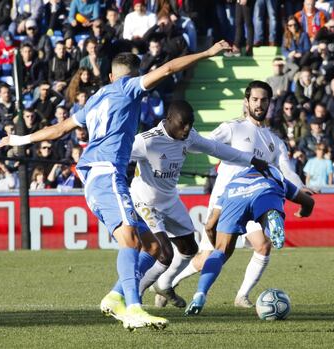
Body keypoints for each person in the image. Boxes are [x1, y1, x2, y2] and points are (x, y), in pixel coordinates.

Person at [0, 40, 234, 330]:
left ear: (110, 76)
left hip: (100, 177)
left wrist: (18, 140)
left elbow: (58, 130)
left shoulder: (94, 100)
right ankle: (133, 308)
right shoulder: (129, 88)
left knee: (154, 249)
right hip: (106, 173)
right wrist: (208, 53)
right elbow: (169, 67)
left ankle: (115, 296)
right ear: (134, 76)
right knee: (131, 240)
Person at [110, 100, 267, 308]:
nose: (186, 129)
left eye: (190, 124)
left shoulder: (189, 136)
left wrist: (251, 159)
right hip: (144, 201)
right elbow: (116, 155)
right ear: (168, 120)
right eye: (182, 124)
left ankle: (164, 284)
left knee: (189, 248)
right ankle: (133, 298)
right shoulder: (146, 141)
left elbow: (216, 149)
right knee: (164, 254)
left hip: (170, 200)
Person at [165, 80, 308, 309]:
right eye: (255, 99)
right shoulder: (232, 128)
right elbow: (202, 143)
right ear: (246, 102)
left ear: (270, 104)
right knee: (208, 257)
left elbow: (286, 170)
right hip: (226, 200)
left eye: (264, 100)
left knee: (262, 245)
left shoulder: (275, 141)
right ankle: (168, 284)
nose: (259, 104)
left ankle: (241, 295)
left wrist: (300, 187)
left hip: (256, 198)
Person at [184, 165, 315, 315]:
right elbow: (309, 203)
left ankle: (200, 294)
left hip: (234, 196)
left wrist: (217, 248)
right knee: (266, 225)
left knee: (220, 251)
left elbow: (209, 225)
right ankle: (270, 220)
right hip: (266, 189)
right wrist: (302, 213)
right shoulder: (274, 173)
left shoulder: (233, 181)